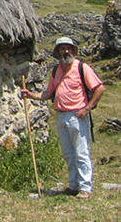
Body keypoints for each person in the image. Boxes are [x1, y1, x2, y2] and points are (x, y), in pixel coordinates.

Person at [21, 37, 105, 199]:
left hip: (77, 115)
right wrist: (30, 95)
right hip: (61, 116)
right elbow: (48, 93)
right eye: (62, 49)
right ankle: (74, 186)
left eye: (68, 48)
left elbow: (99, 88)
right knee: (68, 153)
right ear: (57, 52)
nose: (66, 51)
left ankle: (85, 187)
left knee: (81, 153)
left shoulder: (82, 67)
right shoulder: (56, 70)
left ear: (73, 51)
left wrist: (87, 108)